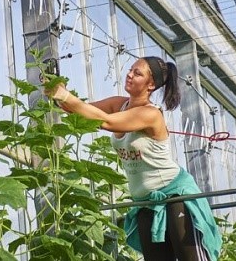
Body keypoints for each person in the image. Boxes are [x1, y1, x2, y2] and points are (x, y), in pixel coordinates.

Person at [45, 56, 222, 260]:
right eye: (130, 70)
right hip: (144, 200)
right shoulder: (119, 104)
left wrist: (66, 96)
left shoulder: (151, 114)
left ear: (151, 84)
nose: (129, 74)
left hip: (175, 194)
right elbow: (76, 110)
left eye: (138, 73)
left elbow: (106, 122)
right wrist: (55, 89)